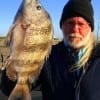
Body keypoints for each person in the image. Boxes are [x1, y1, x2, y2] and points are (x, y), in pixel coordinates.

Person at [1, 0, 100, 100]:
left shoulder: (98, 57)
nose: (75, 29)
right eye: (70, 23)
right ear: (61, 26)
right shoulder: (48, 57)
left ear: (90, 27)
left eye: (81, 24)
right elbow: (8, 89)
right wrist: (15, 55)